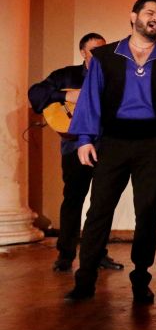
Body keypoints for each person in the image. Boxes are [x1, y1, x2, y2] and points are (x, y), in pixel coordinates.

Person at [64, 0, 156, 303]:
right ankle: (85, 279)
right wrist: (85, 139)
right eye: (150, 12)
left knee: (147, 211)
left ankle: (141, 278)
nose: (155, 19)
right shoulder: (105, 56)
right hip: (113, 141)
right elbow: (91, 98)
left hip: (153, 143)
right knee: (99, 210)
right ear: (133, 16)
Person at [28, 33, 123, 273]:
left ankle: (98, 254)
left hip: (107, 146)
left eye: (103, 51)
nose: (99, 55)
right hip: (74, 147)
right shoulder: (67, 75)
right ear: (83, 52)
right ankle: (65, 254)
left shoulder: (115, 76)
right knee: (73, 199)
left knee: (103, 203)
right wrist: (65, 95)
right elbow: (36, 94)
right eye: (94, 51)